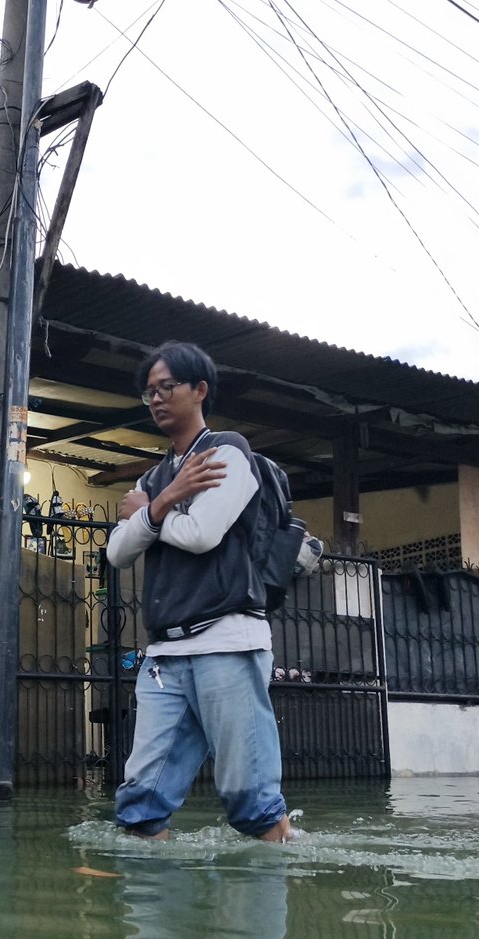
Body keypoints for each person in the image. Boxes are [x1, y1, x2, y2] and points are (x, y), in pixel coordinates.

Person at [106, 341, 291, 842]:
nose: (158, 400)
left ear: (199, 389)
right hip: (165, 653)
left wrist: (149, 512)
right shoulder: (153, 477)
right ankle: (155, 909)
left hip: (227, 639)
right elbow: (116, 553)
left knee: (250, 797)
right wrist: (164, 499)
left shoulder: (226, 451)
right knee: (140, 804)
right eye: (150, 394)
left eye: (167, 387)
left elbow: (201, 534)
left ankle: (273, 876)